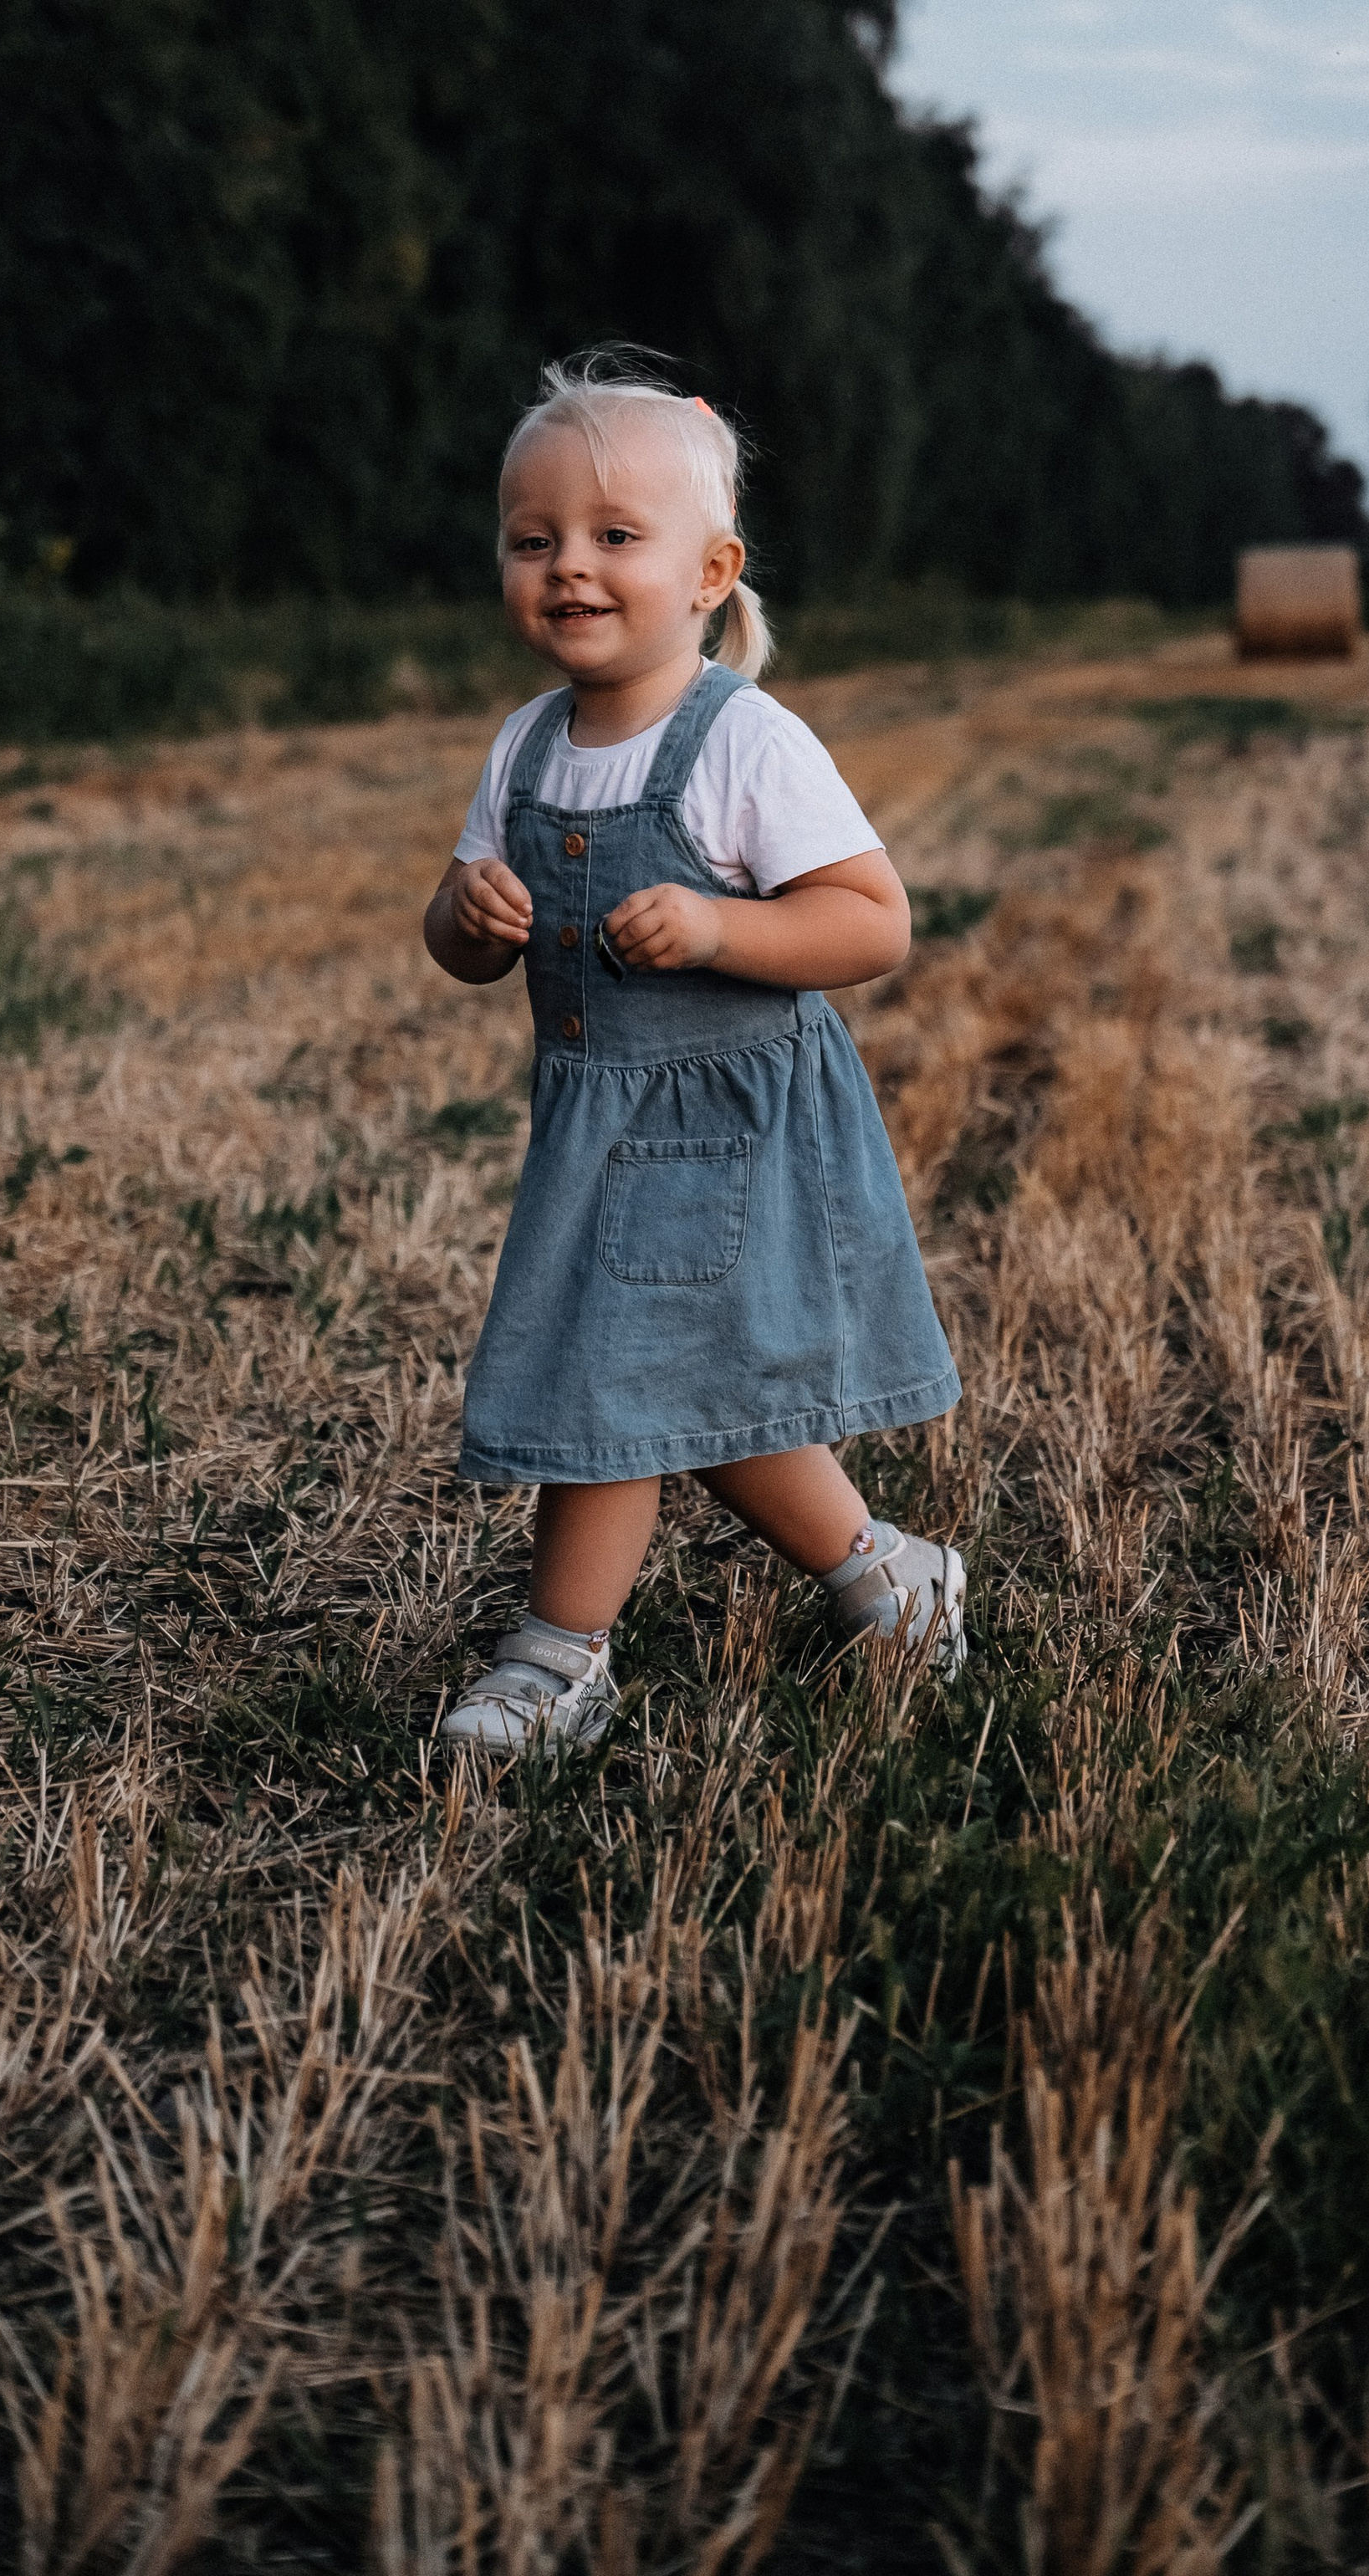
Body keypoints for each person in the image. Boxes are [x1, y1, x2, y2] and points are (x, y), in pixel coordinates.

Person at [422, 359, 965, 1755]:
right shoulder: (526, 747)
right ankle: (885, 1577)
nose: (568, 568)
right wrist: (464, 918)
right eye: (533, 539)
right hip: (599, 1129)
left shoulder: (746, 743)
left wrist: (726, 926)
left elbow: (872, 922)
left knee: (619, 1380)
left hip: (733, 1131)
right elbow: (466, 940)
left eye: (615, 536)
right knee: (687, 1390)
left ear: (712, 571)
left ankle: (559, 1655)